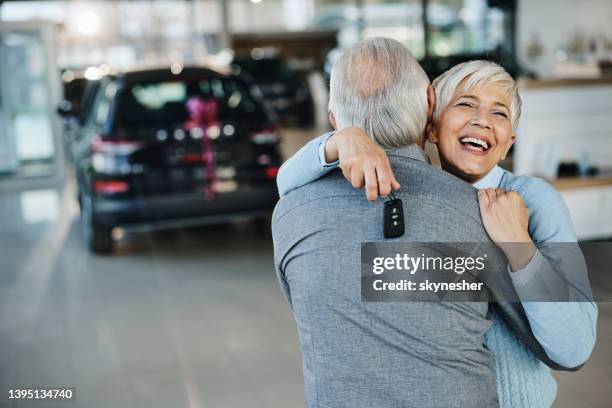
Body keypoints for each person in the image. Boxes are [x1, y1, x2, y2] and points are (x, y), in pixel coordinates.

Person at [272, 38, 579, 408]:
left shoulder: (290, 213)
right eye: (465, 105)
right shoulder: (468, 212)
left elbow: (569, 346)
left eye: (499, 113)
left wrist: (519, 245)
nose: (481, 121)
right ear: (430, 115)